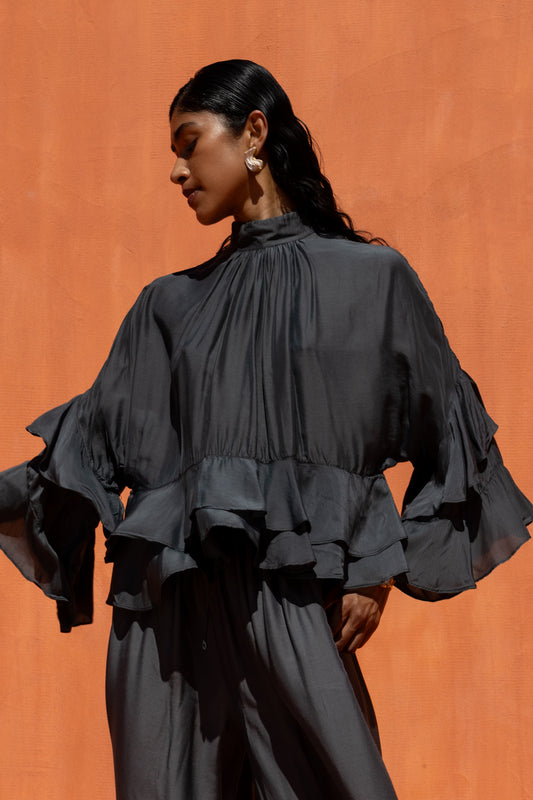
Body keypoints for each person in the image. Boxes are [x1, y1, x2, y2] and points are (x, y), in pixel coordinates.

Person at [0, 59, 531, 800]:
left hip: (292, 599)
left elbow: (450, 427)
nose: (177, 171)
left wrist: (377, 564)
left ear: (254, 131)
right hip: (168, 628)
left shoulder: (371, 281)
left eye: (189, 143)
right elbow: (83, 445)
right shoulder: (166, 307)